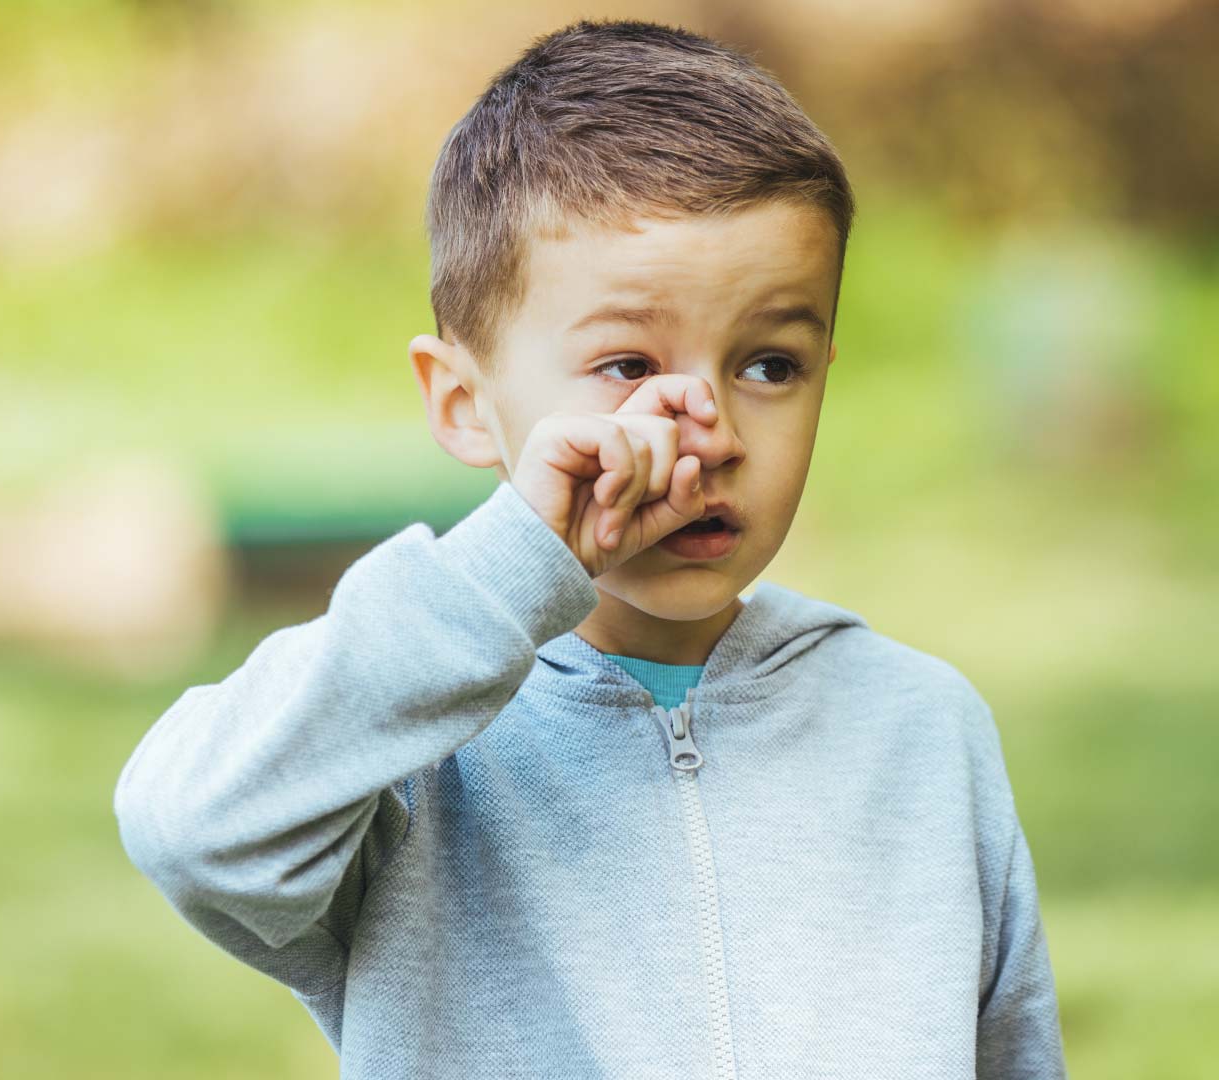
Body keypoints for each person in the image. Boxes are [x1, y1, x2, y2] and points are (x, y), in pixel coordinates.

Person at [113, 17, 1067, 1079]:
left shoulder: (919, 731)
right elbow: (191, 828)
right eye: (624, 364)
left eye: (768, 365)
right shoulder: (404, 754)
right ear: (466, 404)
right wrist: (513, 565)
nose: (702, 429)